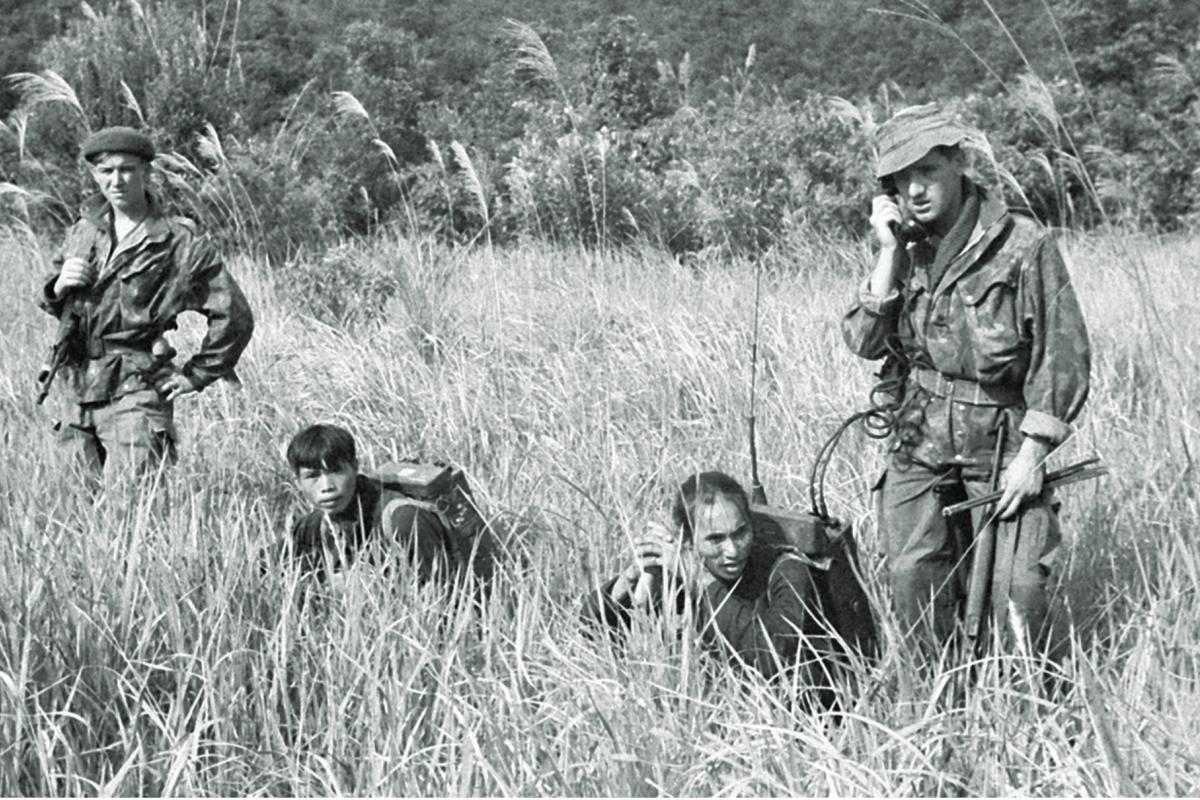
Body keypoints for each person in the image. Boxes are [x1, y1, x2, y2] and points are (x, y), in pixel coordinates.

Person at [841, 104, 1090, 652]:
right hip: (919, 435)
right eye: (901, 180)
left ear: (958, 163)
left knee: (1018, 593)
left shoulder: (1024, 245)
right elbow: (863, 341)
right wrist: (887, 256)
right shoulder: (906, 248)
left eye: (927, 171)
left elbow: (1063, 357)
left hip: (1000, 441)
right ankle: (938, 708)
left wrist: (1032, 456)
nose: (916, 191)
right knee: (913, 580)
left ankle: (1022, 708)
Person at [36, 126, 254, 485]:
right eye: (106, 171)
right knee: (75, 508)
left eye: (127, 169)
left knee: (131, 507)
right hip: (76, 386)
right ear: (95, 175)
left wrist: (196, 375)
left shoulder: (177, 241)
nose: (117, 180)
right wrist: (57, 287)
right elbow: (60, 303)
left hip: (135, 386)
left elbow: (234, 315)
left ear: (146, 172)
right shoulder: (84, 231)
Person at [583, 471, 843, 689]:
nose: (732, 550)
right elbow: (588, 637)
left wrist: (701, 582)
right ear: (687, 540)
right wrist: (626, 585)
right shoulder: (679, 570)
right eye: (715, 539)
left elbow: (772, 657)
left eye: (740, 533)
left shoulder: (786, 569)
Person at [282, 423, 473, 587]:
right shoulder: (312, 527)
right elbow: (269, 569)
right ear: (297, 481)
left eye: (336, 471)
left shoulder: (402, 519)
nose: (327, 486)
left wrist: (370, 587)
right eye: (313, 476)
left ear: (355, 467)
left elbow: (447, 598)